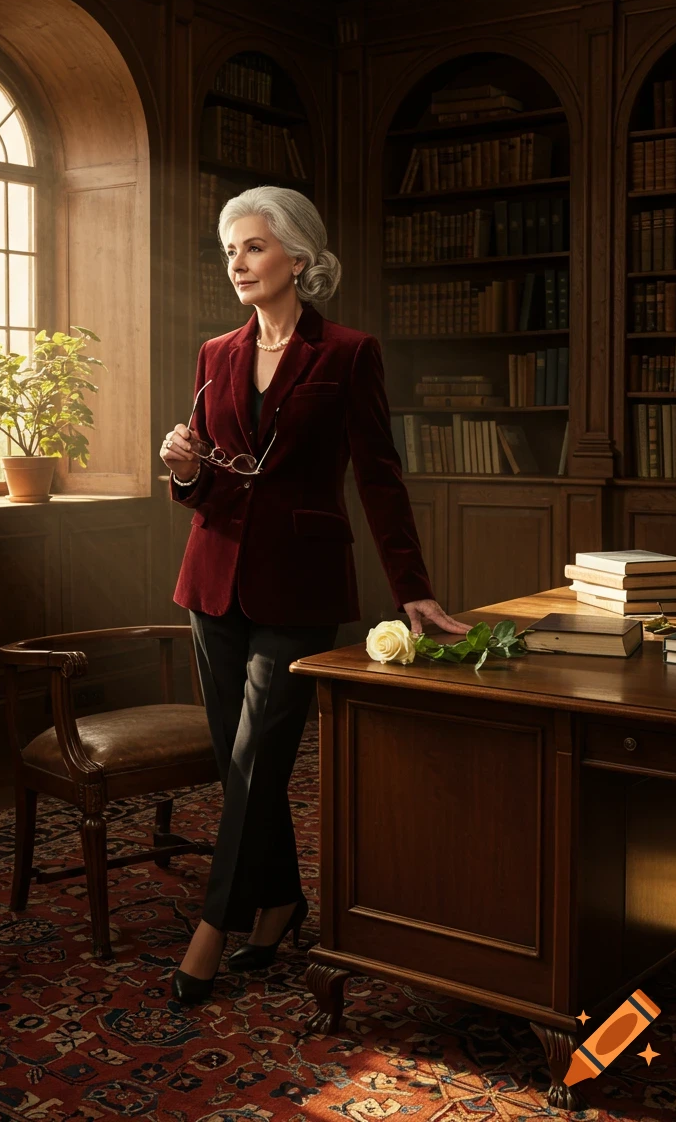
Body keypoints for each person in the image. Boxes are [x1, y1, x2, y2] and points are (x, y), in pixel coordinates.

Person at [159, 185, 466, 1005]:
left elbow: (380, 479)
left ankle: (214, 925)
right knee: (240, 769)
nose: (238, 262)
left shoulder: (348, 353)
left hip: (300, 587)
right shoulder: (214, 353)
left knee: (261, 758)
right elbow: (209, 482)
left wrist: (413, 592)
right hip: (211, 579)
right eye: (230, 250)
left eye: (254, 247)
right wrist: (184, 471)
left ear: (298, 257)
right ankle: (283, 900)